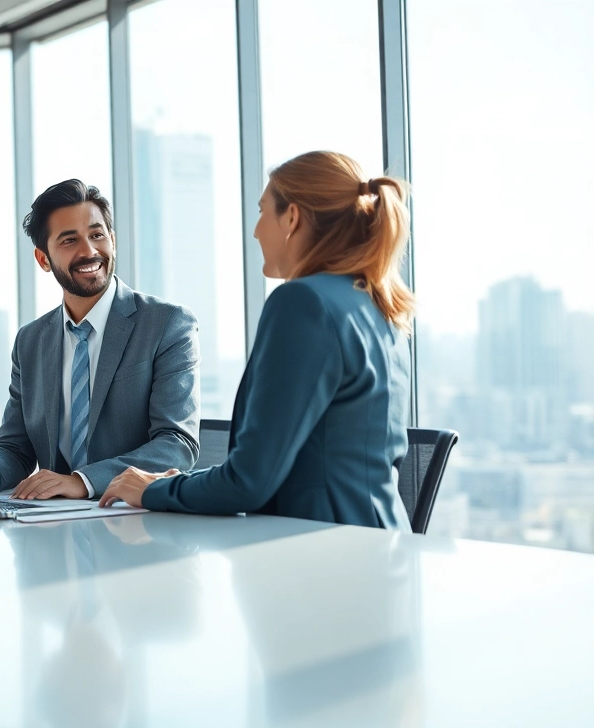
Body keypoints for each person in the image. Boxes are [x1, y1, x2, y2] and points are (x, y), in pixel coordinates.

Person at [100, 151, 415, 529]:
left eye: (264, 210)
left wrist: (152, 490)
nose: (255, 230)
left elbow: (249, 482)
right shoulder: (378, 305)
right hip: (382, 544)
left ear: (293, 217)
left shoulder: (303, 302)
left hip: (324, 559)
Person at [0, 179, 200, 501]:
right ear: (43, 259)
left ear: (113, 241)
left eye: (97, 235)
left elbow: (177, 443)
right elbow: (14, 446)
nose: (89, 251)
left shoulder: (167, 325)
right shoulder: (30, 342)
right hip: (52, 526)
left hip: (131, 523)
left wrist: (83, 481)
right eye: (69, 240)